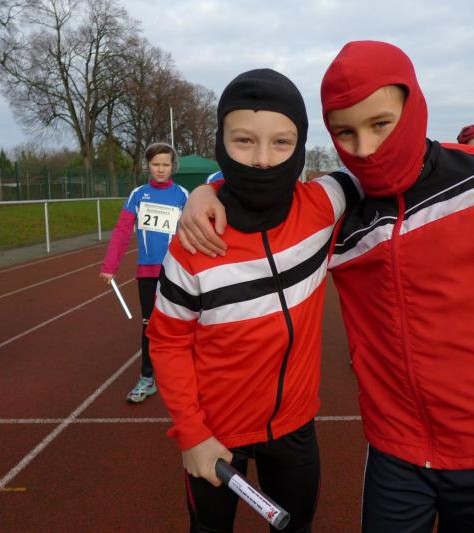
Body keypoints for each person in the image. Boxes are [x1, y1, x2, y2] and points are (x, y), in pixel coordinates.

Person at [179, 41, 474, 532]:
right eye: (345, 133)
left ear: (413, 108)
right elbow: (264, 197)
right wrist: (206, 190)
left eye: (381, 124)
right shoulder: (337, 214)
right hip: (395, 450)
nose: (365, 149)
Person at [146, 68, 370, 533]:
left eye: (281, 142)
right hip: (214, 434)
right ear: (221, 142)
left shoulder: (323, 205)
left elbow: (392, 160)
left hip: (296, 428)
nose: (264, 160)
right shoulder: (194, 243)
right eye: (244, 141)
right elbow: (166, 341)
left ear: (301, 144)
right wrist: (191, 434)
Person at [99, 142, 188, 403]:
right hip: (148, 274)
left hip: (176, 273)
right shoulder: (138, 195)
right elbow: (122, 231)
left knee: (181, 325)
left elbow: (194, 231)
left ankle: (183, 376)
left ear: (173, 166)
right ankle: (147, 378)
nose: (160, 169)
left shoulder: (183, 195)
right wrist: (110, 266)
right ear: (147, 165)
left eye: (165, 164)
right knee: (150, 326)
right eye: (155, 164)